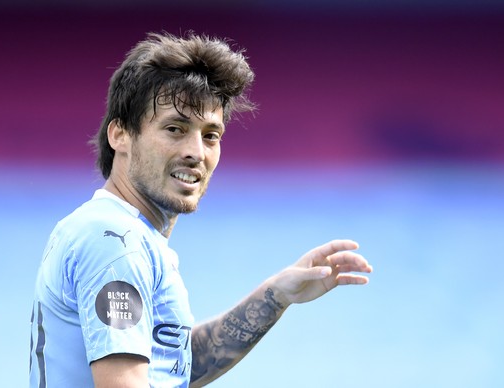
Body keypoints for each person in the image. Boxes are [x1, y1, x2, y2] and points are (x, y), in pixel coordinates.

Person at [29, 31, 373, 388]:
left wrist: (276, 295)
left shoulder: (115, 233)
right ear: (120, 135)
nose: (197, 152)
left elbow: (169, 370)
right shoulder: (116, 245)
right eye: (175, 129)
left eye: (210, 135)